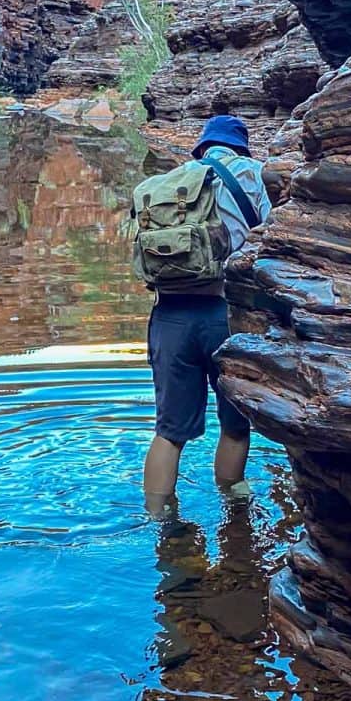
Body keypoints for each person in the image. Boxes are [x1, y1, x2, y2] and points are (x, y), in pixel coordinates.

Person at [136, 115, 271, 511]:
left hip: (169, 318)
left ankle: (158, 519)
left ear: (201, 147)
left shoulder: (171, 183)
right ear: (241, 147)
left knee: (168, 432)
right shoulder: (253, 174)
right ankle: (233, 505)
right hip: (225, 317)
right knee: (235, 426)